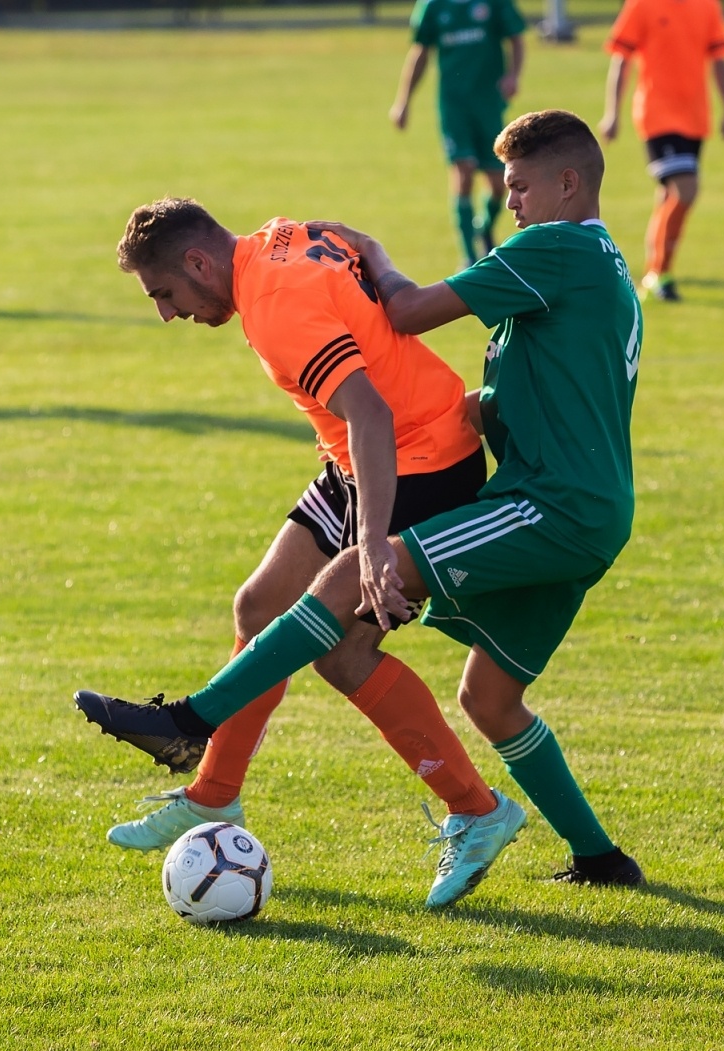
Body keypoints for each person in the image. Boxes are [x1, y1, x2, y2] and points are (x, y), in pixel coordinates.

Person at [80, 110, 645, 890]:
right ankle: (602, 859)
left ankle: (191, 723)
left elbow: (398, 341)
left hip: (531, 498)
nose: (507, 201)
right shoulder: (595, 259)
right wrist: (470, 404)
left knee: (346, 608)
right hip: (478, 475)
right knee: (473, 690)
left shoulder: (553, 248)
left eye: (517, 185)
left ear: (567, 182)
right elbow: (547, 385)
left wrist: (375, 539)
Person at [90, 198, 528, 909]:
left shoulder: (275, 309)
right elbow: (358, 237)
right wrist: (390, 280)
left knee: (342, 652)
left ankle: (478, 809)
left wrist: (375, 545)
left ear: (199, 263)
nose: (167, 314)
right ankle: (213, 796)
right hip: (364, 458)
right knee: (259, 606)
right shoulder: (282, 237)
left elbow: (373, 414)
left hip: (418, 460)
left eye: (164, 294)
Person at [598, 0, 724, 303]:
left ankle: (655, 271)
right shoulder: (642, 5)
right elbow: (622, 58)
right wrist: (613, 114)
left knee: (669, 197)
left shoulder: (707, 6)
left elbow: (719, 58)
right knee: (686, 189)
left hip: (696, 119)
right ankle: (661, 273)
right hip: (657, 116)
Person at [392, 0, 526, 267]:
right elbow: (421, 52)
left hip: (488, 103)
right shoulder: (433, 6)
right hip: (453, 105)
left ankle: (484, 228)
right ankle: (469, 255)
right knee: (463, 171)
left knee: (498, 184)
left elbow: (516, 38)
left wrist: (513, 75)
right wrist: (404, 101)